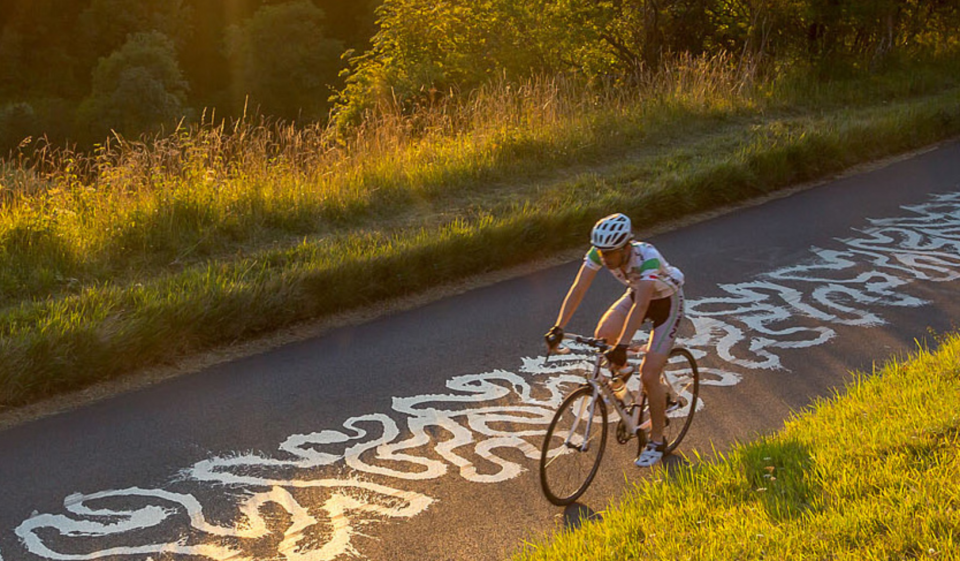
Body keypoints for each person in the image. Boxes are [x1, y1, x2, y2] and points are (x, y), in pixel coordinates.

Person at [544, 213, 685, 468]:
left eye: (610, 253)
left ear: (626, 247)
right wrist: (559, 327)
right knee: (603, 335)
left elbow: (642, 306)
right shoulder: (600, 253)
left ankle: (656, 441)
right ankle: (623, 375)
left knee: (649, 373)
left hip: (666, 302)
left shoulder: (647, 258)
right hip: (636, 295)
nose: (605, 259)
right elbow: (578, 289)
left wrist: (622, 346)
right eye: (601, 252)